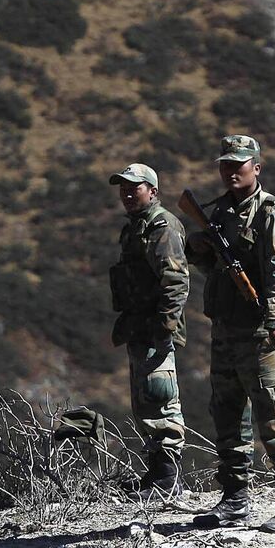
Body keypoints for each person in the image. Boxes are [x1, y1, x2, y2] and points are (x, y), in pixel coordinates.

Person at [187, 135, 275, 533]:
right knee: (227, 413)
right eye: (225, 163)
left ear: (257, 167)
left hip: (257, 329)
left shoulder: (272, 212)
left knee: (273, 412)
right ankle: (235, 498)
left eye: (239, 164)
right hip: (225, 327)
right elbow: (211, 269)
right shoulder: (219, 211)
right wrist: (201, 248)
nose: (230, 170)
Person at [107, 162, 190, 502]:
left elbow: (176, 280)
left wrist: (165, 327)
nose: (127, 193)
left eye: (135, 187)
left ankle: (168, 479)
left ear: (152, 191)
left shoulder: (162, 226)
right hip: (138, 326)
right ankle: (156, 473)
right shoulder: (135, 228)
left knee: (161, 397)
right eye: (123, 188)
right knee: (144, 400)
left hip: (155, 328)